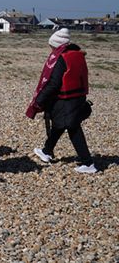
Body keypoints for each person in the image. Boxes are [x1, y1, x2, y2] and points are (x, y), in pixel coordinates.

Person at [28, 28, 97, 174]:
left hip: (66, 99)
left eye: (51, 46)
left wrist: (38, 101)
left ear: (57, 45)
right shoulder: (77, 54)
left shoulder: (61, 58)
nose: (50, 48)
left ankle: (88, 163)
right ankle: (46, 151)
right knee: (60, 123)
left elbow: (54, 83)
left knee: (72, 127)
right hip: (79, 97)